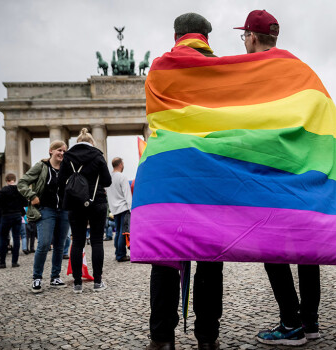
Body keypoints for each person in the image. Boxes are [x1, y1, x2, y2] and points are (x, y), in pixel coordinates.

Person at [234, 10, 320, 346]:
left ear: (252, 37)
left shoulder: (250, 73)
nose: (243, 41)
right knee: (307, 250)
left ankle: (290, 323)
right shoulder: (301, 70)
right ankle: (310, 322)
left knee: (272, 248)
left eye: (243, 36)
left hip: (269, 176)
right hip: (303, 175)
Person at [145, 13, 223, 350]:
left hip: (169, 173)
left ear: (176, 35)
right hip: (211, 175)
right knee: (210, 259)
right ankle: (207, 335)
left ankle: (162, 336)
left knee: (165, 258)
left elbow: (155, 117)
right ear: (207, 36)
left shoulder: (160, 68)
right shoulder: (224, 68)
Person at [59, 128, 111, 293]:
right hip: (97, 201)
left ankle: (77, 284)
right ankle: (98, 282)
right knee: (96, 241)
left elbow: (60, 181)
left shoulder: (68, 157)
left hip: (75, 203)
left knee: (77, 242)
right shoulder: (98, 156)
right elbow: (107, 181)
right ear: (92, 142)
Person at [18, 140, 70, 293]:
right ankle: (37, 278)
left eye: (64, 151)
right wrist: (32, 196)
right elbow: (22, 183)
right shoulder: (41, 167)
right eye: (59, 150)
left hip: (64, 211)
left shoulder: (66, 169)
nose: (61, 153)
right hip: (46, 210)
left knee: (60, 246)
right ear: (51, 151)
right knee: (44, 244)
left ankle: (55, 277)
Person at [0, 174, 28, 268]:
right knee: (16, 238)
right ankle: (14, 262)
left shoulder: (3, 190)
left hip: (6, 216)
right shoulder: (19, 190)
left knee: (3, 238)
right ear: (14, 179)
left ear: (6, 180)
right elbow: (25, 202)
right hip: (17, 215)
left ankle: (2, 262)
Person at [105, 157, 131, 262]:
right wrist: (131, 208)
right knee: (123, 232)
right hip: (124, 207)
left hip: (114, 209)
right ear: (120, 164)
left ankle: (117, 252)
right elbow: (127, 194)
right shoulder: (122, 177)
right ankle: (121, 254)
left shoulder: (109, 177)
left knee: (118, 231)